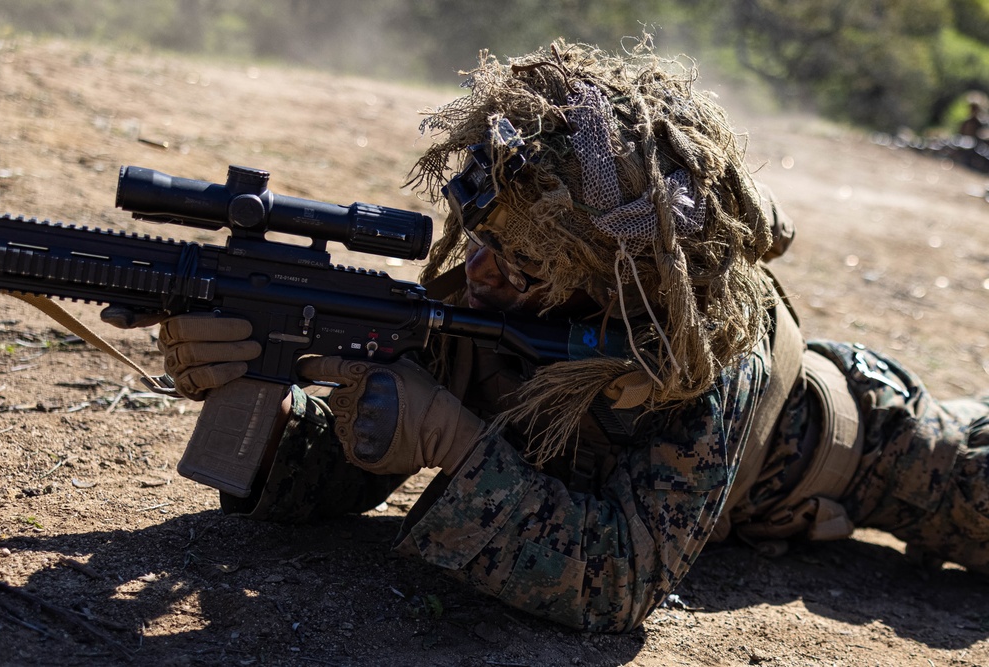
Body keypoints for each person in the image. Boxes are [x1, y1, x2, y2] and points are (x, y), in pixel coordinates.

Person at [105, 39, 989, 633]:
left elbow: (620, 580)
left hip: (866, 448)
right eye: (483, 242)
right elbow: (338, 470)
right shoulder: (487, 295)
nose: (480, 275)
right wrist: (263, 389)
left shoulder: (699, 350)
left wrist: (451, 442)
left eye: (522, 266)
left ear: (606, 276)